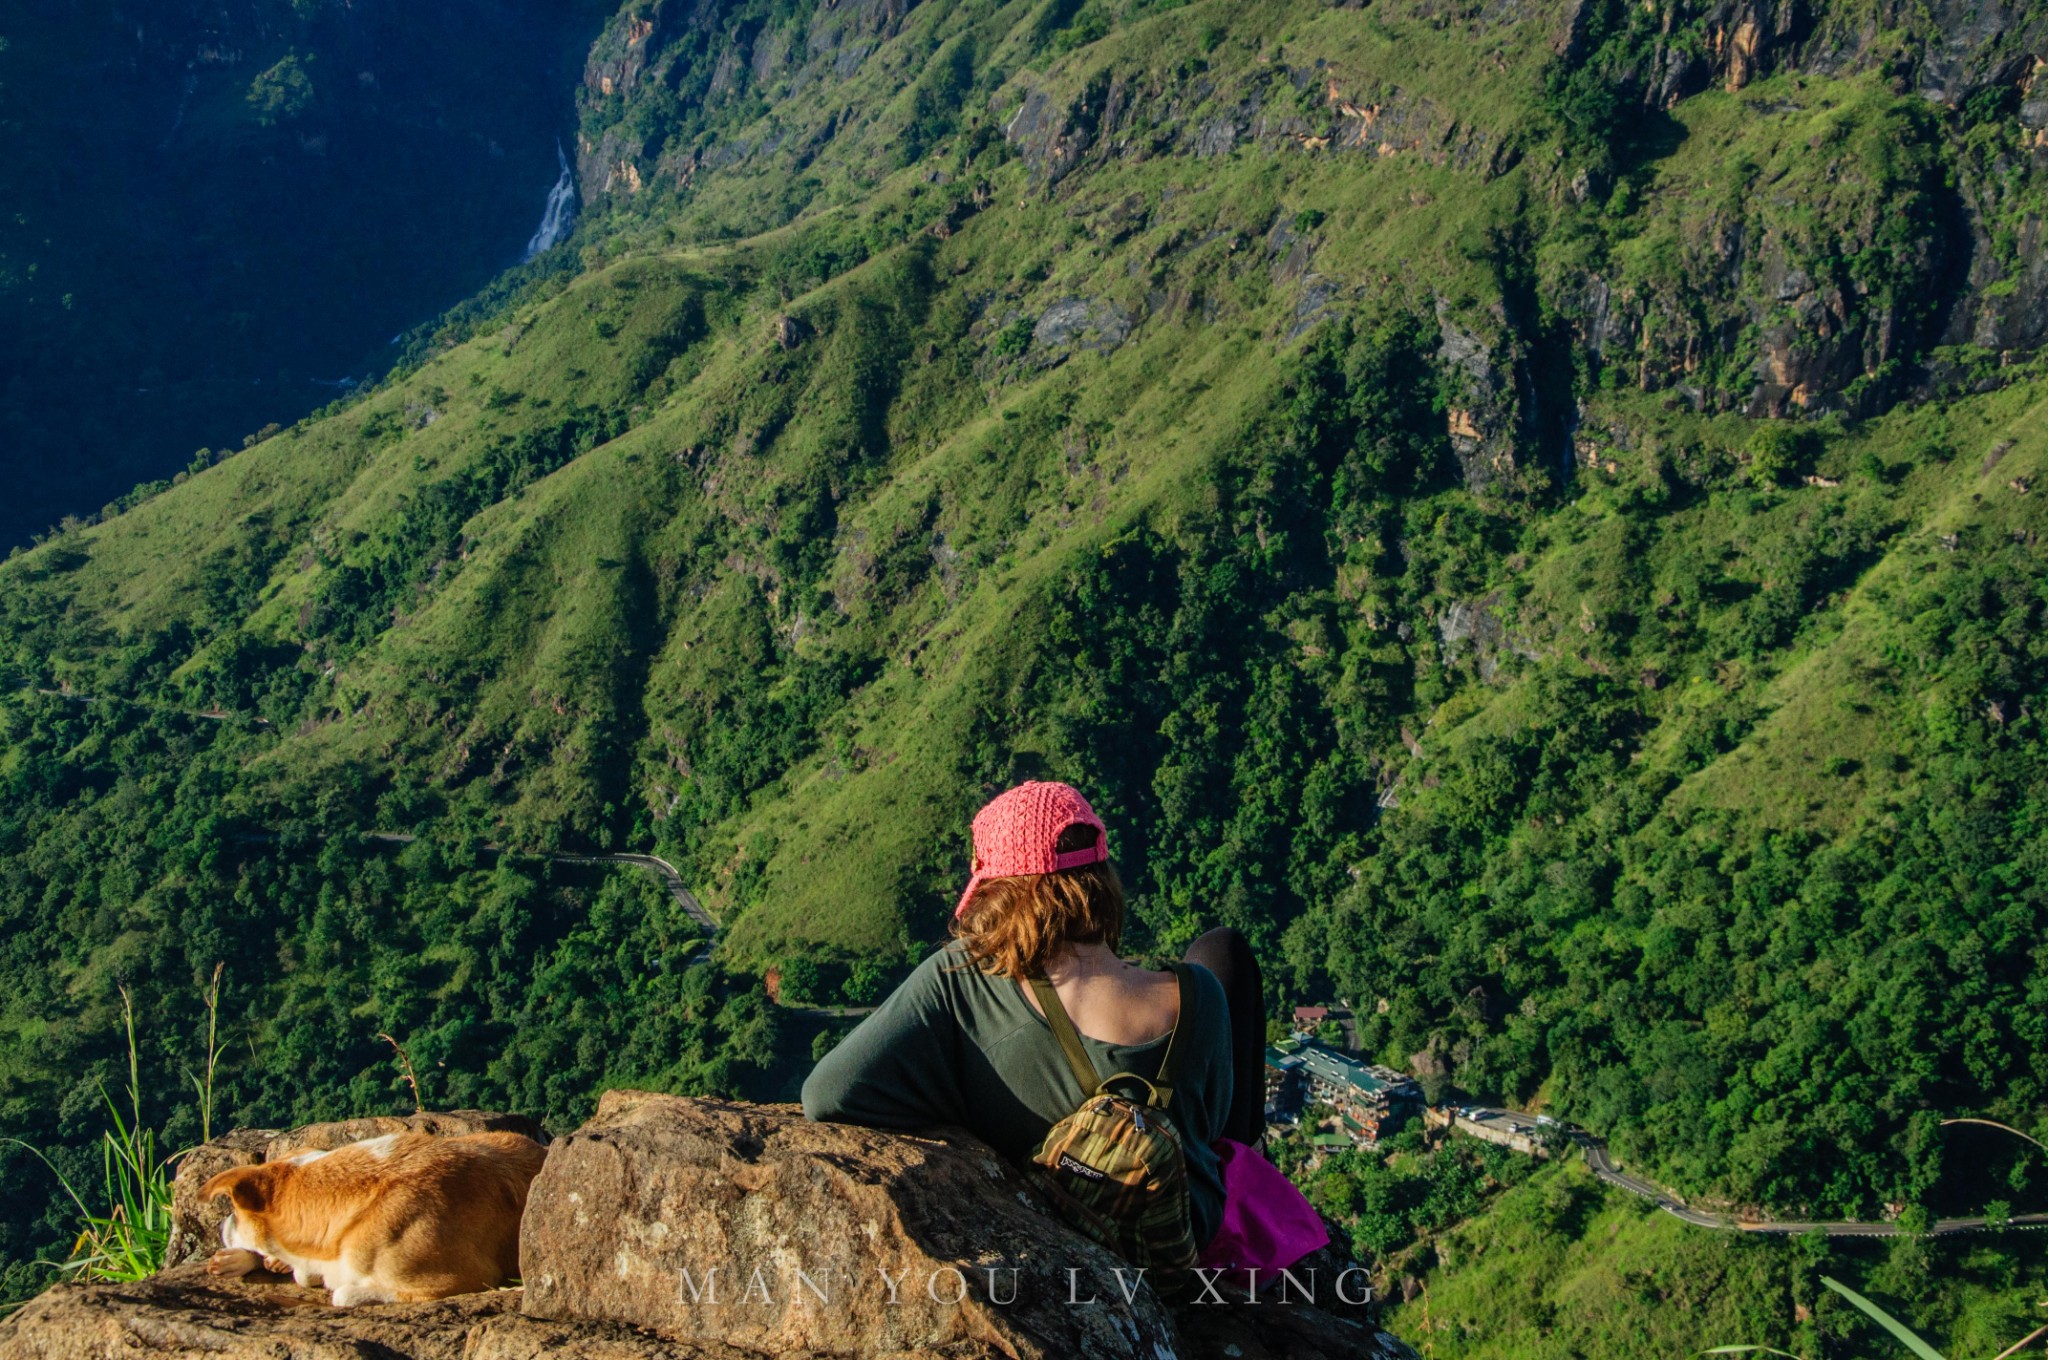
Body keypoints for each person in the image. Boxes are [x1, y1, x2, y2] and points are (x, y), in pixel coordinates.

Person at [802, 780, 1310, 1268]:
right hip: (1185, 1238)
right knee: (1223, 950)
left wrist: (974, 1103)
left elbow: (827, 1093)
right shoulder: (1202, 997)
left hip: (1062, 1232)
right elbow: (1218, 1123)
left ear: (998, 892)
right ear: (1101, 877)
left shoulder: (963, 978)